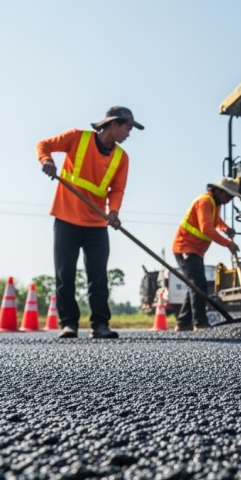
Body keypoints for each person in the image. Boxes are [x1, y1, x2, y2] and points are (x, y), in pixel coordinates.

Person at [38, 106, 143, 340]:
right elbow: (43, 145)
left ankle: (100, 325)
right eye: (127, 128)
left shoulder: (121, 157)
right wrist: (46, 160)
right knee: (65, 274)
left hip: (96, 223)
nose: (129, 134)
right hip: (66, 218)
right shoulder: (76, 138)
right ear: (113, 124)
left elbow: (117, 189)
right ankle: (69, 325)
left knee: (98, 276)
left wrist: (113, 212)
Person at [172, 177, 241, 331]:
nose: (230, 199)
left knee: (194, 284)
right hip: (185, 247)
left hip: (195, 250)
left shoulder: (215, 203)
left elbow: (216, 222)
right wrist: (228, 243)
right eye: (228, 196)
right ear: (218, 191)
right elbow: (207, 229)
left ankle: (183, 323)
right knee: (199, 284)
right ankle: (200, 323)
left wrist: (225, 228)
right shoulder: (204, 201)